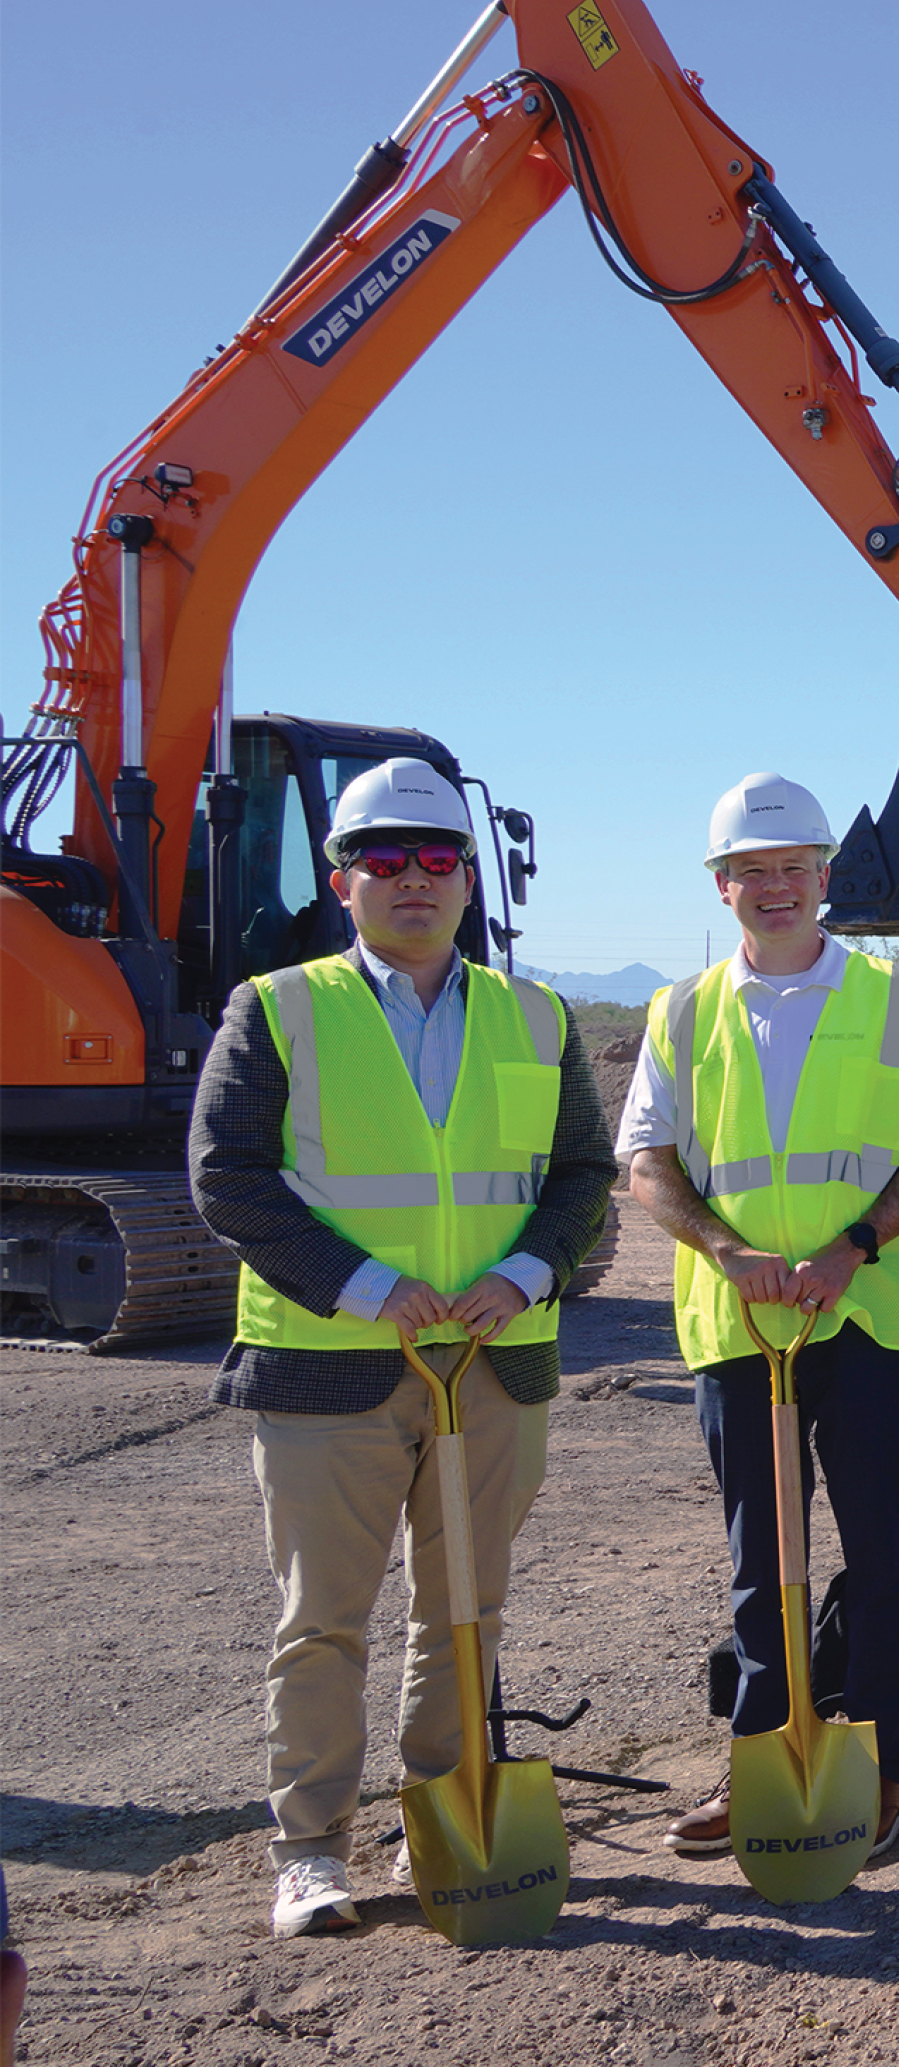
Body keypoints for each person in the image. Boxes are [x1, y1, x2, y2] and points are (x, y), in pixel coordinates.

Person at [189, 758, 615, 1939]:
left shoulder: (535, 1015)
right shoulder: (278, 1008)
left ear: (469, 878)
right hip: (330, 1366)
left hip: (493, 1363)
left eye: (436, 856)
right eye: (383, 857)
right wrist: (370, 1288)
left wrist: (526, 1273)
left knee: (465, 1611)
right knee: (323, 1620)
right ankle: (310, 1850)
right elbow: (227, 1175)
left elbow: (582, 1172)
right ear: (342, 881)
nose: (412, 876)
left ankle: (446, 1816)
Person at [619, 774, 899, 1859]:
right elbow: (647, 1161)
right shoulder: (679, 1011)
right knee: (760, 1558)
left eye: (793, 867)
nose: (775, 886)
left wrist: (852, 1247)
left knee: (879, 1549)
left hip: (864, 1317)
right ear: (721, 886)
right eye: (751, 871)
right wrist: (727, 1251)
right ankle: (766, 1757)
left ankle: (886, 1767)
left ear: (825, 875)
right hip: (739, 1326)